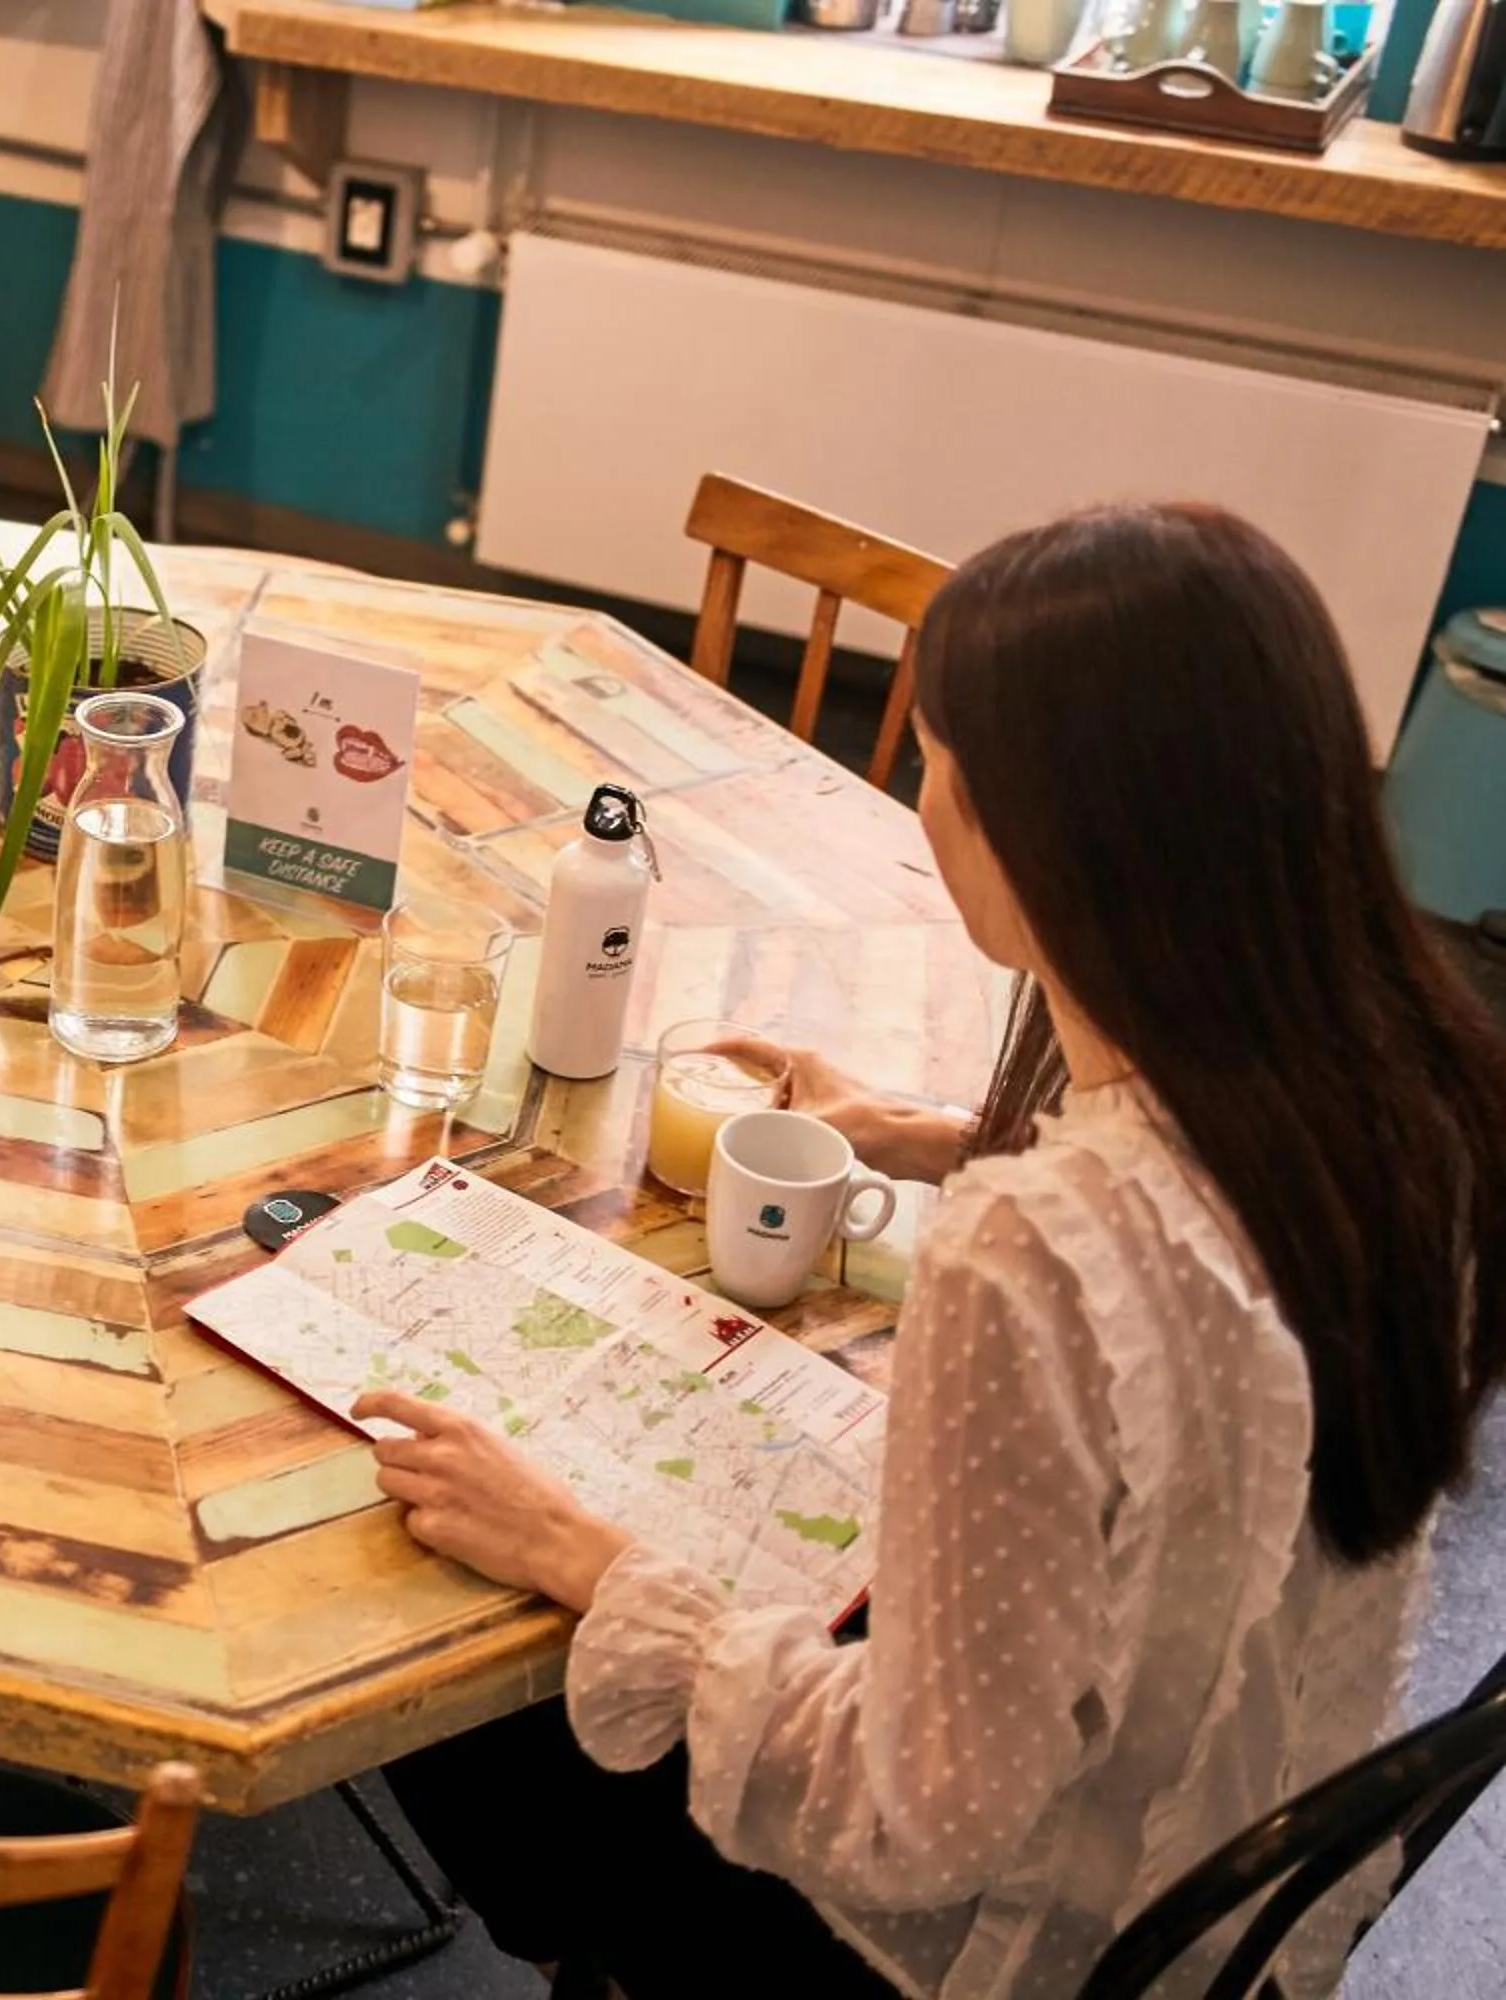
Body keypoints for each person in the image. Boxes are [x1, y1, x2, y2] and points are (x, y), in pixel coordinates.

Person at [368, 503, 1506, 1999]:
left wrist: (594, 1564)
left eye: (939, 755)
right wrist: (924, 1131)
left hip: (983, 1953)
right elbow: (1183, 1261)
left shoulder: (1035, 1250)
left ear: (1031, 826)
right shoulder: (1416, 1092)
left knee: (455, 1672)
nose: (922, 785)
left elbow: (923, 1823)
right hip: (1203, 1883)